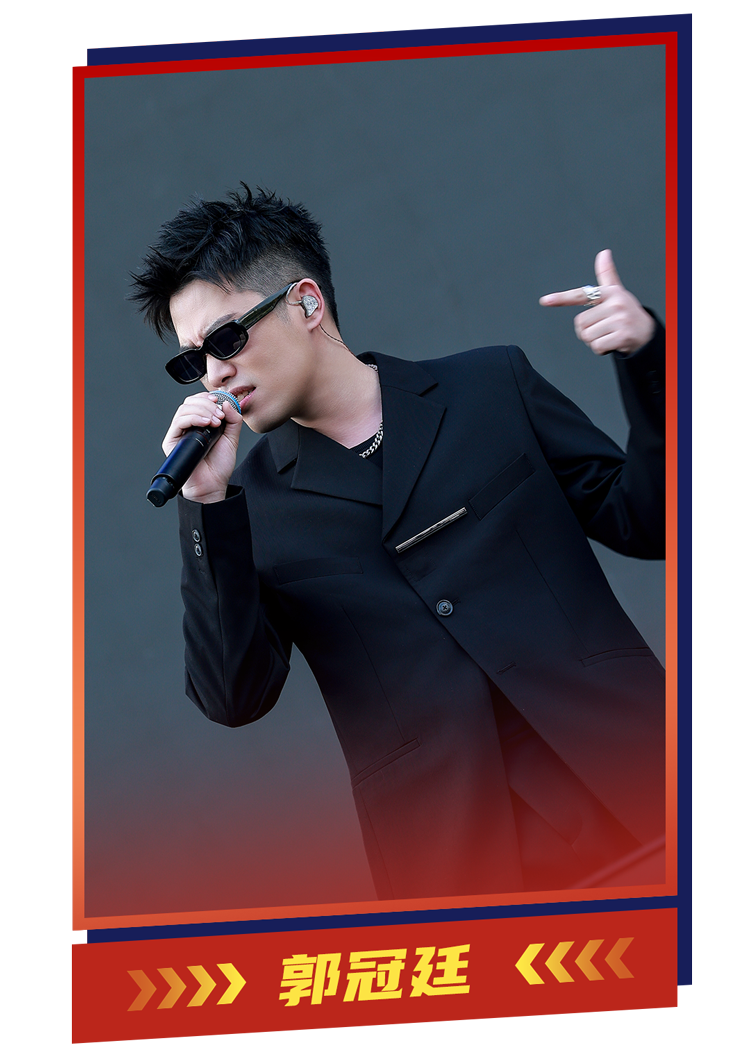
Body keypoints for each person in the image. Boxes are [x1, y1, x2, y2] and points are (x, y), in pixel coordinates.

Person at [131, 185, 665, 901]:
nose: (214, 373)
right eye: (192, 361)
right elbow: (235, 697)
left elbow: (649, 520)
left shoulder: (491, 386)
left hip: (638, 781)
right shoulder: (245, 507)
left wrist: (649, 358)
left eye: (226, 339)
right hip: (455, 874)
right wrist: (204, 506)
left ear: (307, 304)